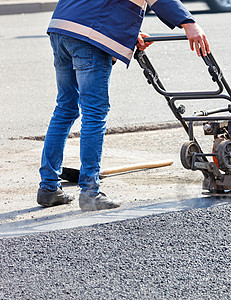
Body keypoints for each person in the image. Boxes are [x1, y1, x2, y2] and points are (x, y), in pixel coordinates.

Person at [37, 0, 210, 211]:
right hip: (87, 34)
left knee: (65, 108)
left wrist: (125, 35)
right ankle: (90, 192)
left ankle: (48, 188)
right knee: (94, 113)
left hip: (62, 26)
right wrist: (189, 23)